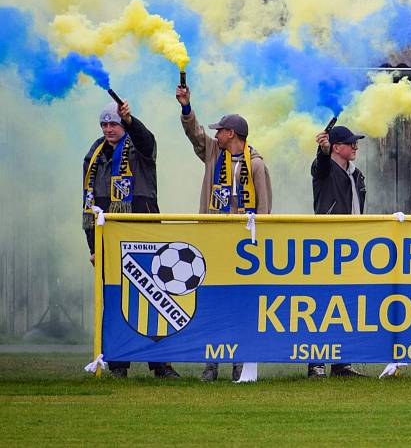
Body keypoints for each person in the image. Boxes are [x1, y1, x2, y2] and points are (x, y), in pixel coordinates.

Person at [176, 85, 273, 381]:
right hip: (211, 240)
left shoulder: (255, 164)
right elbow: (194, 134)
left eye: (220, 130)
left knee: (240, 303)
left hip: (241, 246)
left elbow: (265, 208)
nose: (215, 133)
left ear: (231, 133)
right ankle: (211, 362)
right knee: (210, 301)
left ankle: (239, 363)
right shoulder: (213, 153)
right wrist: (186, 106)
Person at [83, 100, 179, 379]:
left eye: (113, 123)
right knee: (114, 300)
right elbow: (88, 204)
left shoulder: (141, 148)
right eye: (104, 124)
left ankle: (160, 363)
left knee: (156, 299)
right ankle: (117, 364)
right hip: (111, 238)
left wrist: (130, 119)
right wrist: (93, 246)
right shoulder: (94, 154)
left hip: (144, 232)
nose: (108, 129)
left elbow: (145, 139)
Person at [307, 125, 368, 377]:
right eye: (349, 143)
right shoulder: (324, 169)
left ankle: (342, 362)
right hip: (328, 245)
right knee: (323, 303)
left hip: (352, 245)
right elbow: (319, 165)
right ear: (335, 147)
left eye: (355, 142)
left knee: (347, 303)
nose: (354, 146)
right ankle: (316, 363)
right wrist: (321, 151)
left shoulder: (357, 175)